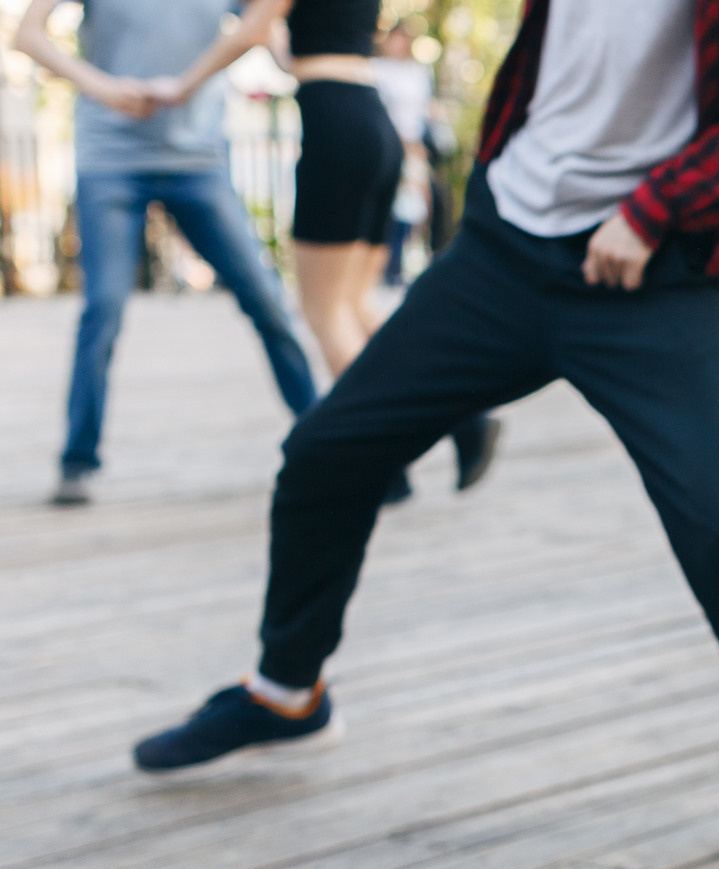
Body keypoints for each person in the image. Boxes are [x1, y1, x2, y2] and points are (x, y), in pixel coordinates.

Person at [131, 0, 719, 869]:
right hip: (507, 243)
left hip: (653, 262)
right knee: (327, 452)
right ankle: (287, 691)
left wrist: (654, 208)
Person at [153, 0, 499, 500]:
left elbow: (251, 32)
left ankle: (382, 462)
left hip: (334, 124)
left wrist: (181, 87)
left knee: (325, 312)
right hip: (373, 124)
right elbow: (297, 51)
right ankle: (463, 413)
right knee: (357, 305)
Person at [12, 0, 319, 507]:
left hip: (197, 160)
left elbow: (266, 29)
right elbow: (27, 35)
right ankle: (78, 460)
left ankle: (326, 438)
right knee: (103, 310)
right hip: (110, 158)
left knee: (267, 300)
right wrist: (102, 87)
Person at [371, 19, 432, 288]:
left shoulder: (418, 72)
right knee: (387, 204)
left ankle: (396, 264)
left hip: (412, 145)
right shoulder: (376, 69)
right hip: (385, 142)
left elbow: (421, 112)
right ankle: (381, 266)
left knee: (411, 206)